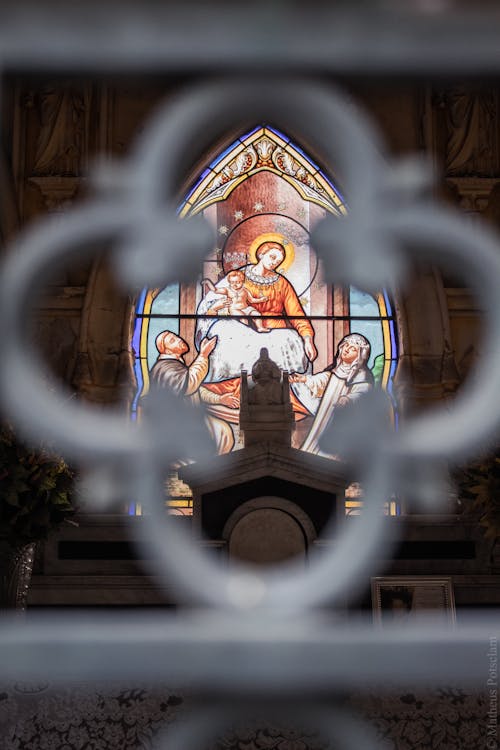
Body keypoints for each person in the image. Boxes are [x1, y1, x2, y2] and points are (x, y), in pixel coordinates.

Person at [149, 330, 237, 453]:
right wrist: (203, 355)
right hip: (177, 425)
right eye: (172, 340)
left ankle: (217, 468)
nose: (178, 339)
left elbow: (196, 390)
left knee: (223, 431)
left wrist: (220, 399)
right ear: (167, 351)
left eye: (175, 336)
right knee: (217, 436)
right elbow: (189, 385)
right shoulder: (165, 368)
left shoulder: (176, 366)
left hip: (191, 418)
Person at [294, 333, 374, 454]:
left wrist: (348, 399)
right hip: (326, 413)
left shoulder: (362, 374)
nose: (347, 349)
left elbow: (362, 392)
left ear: (360, 356)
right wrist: (304, 379)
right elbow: (322, 381)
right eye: (346, 345)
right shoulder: (336, 370)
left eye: (353, 349)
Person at [204, 269, 268, 331]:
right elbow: (215, 290)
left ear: (242, 281)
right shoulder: (227, 290)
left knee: (257, 314)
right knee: (243, 318)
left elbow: (252, 300)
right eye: (232, 282)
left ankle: (260, 327)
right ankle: (245, 331)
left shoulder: (245, 290)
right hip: (234, 309)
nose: (235, 284)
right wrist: (208, 282)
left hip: (246, 308)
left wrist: (261, 300)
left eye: (238, 282)